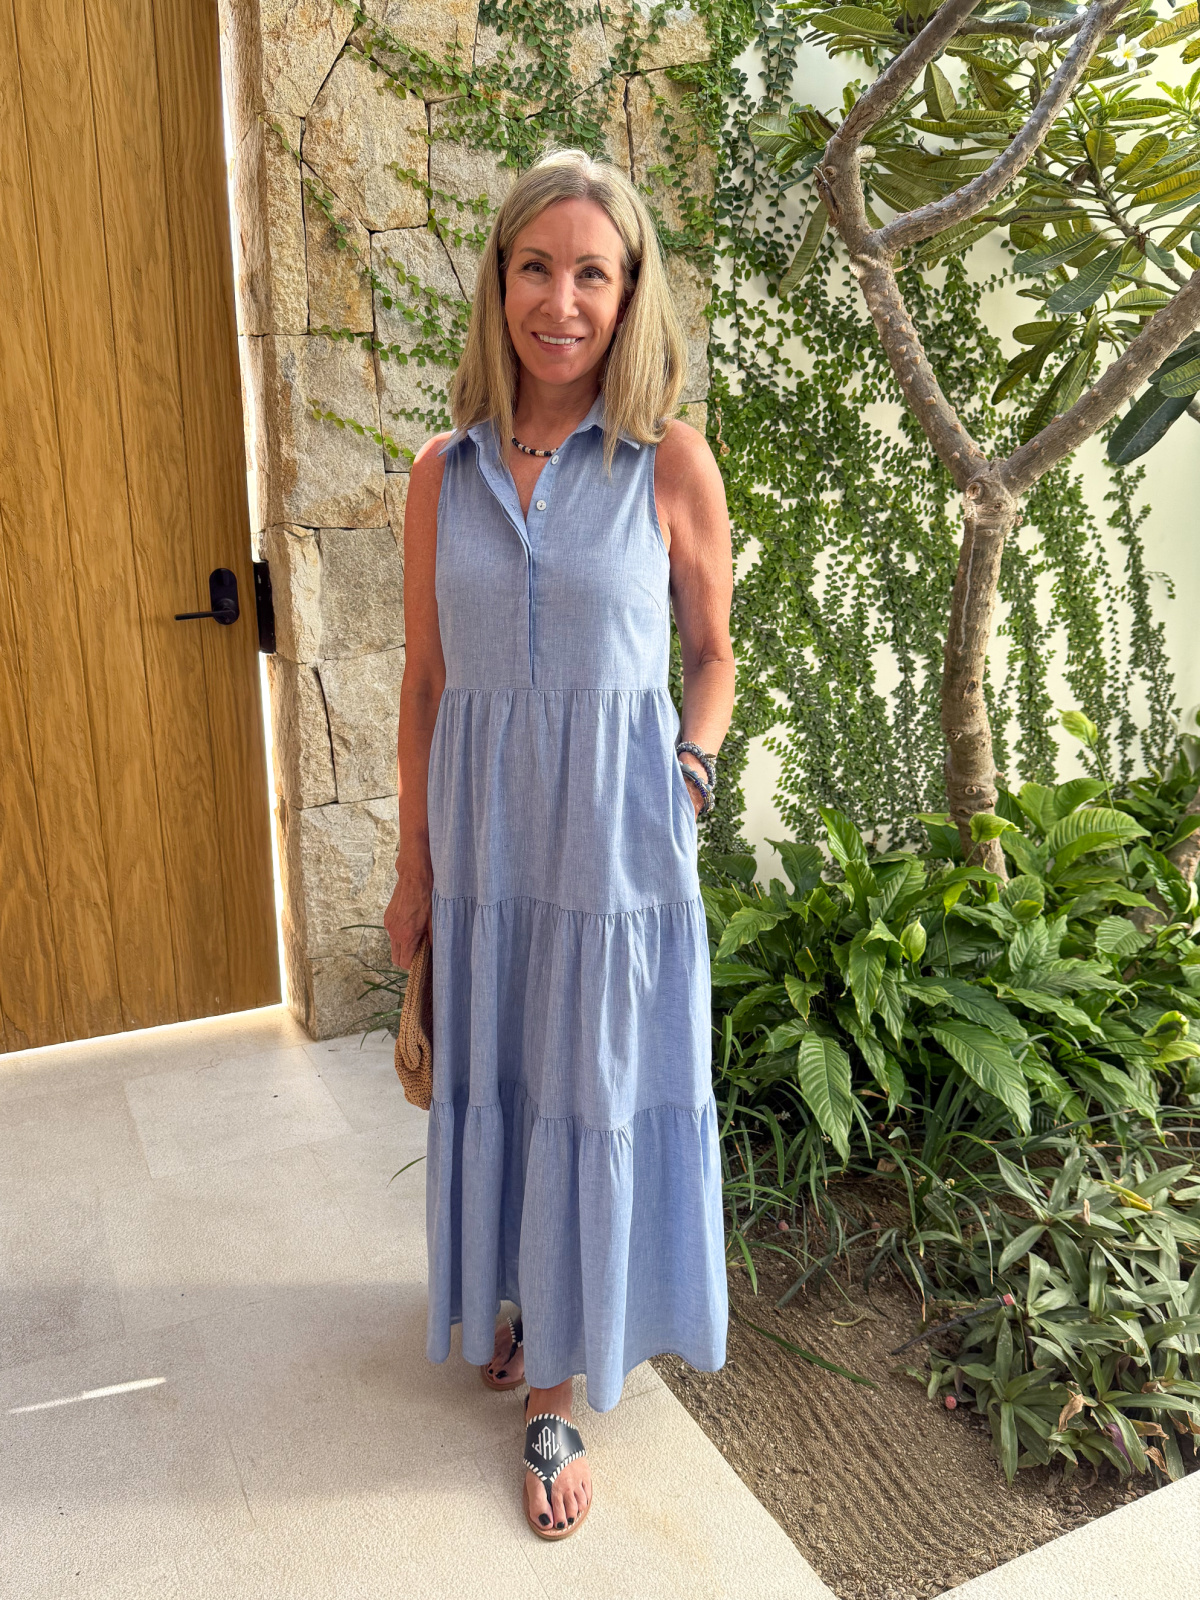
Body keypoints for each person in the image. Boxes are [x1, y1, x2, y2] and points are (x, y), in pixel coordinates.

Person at [383, 145, 734, 1542]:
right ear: (499, 281)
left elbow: (710, 655)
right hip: (481, 850)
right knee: (508, 1075)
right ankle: (522, 1294)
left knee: (586, 1088)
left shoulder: (668, 461)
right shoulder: (440, 472)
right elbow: (422, 683)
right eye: (538, 266)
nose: (563, 301)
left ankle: (562, 1392)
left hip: (614, 852)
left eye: (595, 271)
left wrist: (690, 776)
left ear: (628, 291)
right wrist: (413, 868)